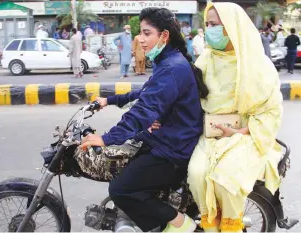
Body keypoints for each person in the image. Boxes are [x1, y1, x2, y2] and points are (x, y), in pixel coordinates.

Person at [81, 7, 209, 232]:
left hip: (173, 148)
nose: (140, 39)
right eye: (140, 33)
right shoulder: (166, 61)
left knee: (121, 189)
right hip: (165, 138)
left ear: (164, 36)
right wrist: (109, 100)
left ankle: (182, 225)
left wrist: (106, 138)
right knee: (123, 165)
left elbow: (143, 111)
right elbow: (147, 93)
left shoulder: (172, 68)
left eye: (146, 33)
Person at [187, 2, 283, 232]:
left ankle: (231, 227)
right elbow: (188, 97)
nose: (209, 30)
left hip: (246, 136)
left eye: (215, 25)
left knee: (226, 178)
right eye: (207, 24)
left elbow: (271, 111)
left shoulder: (258, 65)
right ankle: (210, 226)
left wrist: (240, 132)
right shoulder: (204, 60)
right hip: (210, 137)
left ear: (232, 27)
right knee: (197, 173)